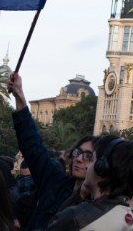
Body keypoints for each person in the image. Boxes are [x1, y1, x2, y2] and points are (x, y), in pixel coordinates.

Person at [9, 71, 97, 230]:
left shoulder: (98, 209)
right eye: (78, 152)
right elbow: (32, 148)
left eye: (88, 156)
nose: (78, 159)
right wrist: (20, 97)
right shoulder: (56, 182)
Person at [48, 135, 133, 230]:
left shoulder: (75, 218)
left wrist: (78, 197)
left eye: (91, 159)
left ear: (101, 168)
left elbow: (53, 225)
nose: (87, 167)